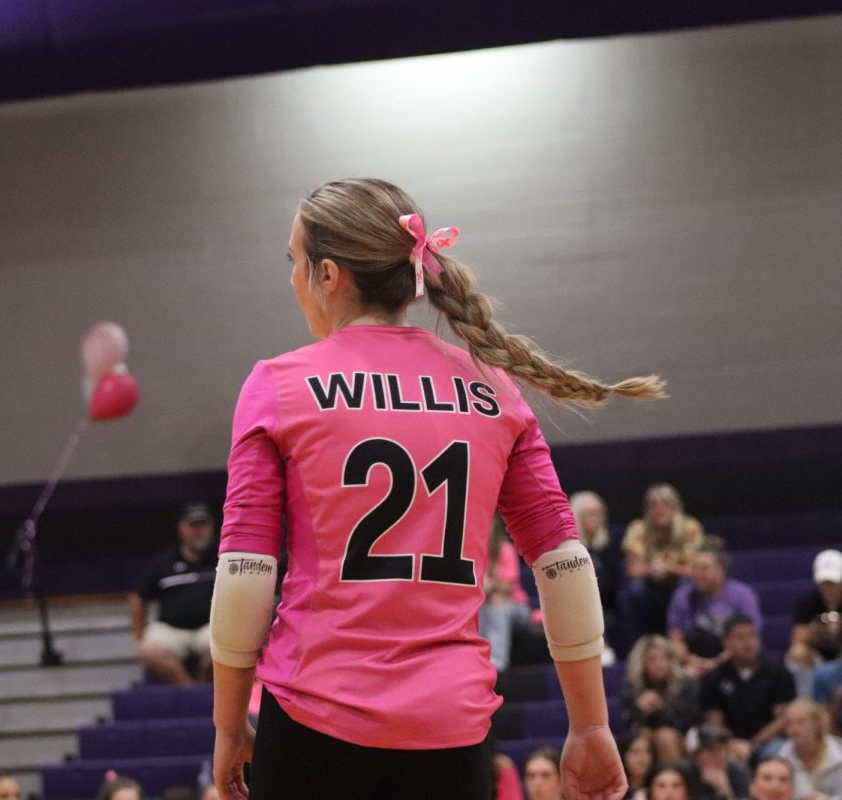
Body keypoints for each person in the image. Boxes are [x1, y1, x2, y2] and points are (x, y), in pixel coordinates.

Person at [209, 178, 664, 800]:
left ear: (330, 275)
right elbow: (563, 562)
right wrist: (589, 724)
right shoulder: (493, 387)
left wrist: (229, 723)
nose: (292, 281)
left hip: (314, 719)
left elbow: (245, 569)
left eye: (294, 263)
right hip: (453, 732)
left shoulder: (279, 385)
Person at [129, 503, 218, 684]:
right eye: (192, 526)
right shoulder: (163, 563)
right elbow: (137, 596)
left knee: (227, 646)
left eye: (202, 525)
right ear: (181, 529)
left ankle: (203, 688)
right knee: (148, 649)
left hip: (211, 628)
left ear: (212, 528)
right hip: (171, 630)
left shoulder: (223, 559)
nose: (198, 531)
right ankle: (191, 692)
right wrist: (139, 636)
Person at [700, 615, 796, 762]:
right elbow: (714, 721)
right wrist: (731, 744)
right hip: (729, 742)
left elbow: (782, 719)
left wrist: (753, 744)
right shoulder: (715, 677)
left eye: (752, 635)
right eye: (740, 637)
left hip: (769, 741)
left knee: (776, 753)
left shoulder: (777, 672)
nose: (748, 642)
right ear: (726, 642)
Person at [621, 484, 705, 643]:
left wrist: (669, 568)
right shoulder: (638, 528)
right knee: (634, 591)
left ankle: (683, 641)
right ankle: (642, 642)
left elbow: (695, 570)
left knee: (684, 587)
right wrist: (650, 569)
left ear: (676, 507)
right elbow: (633, 570)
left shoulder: (690, 528)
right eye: (653, 505)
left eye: (665, 504)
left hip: (679, 579)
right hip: (650, 583)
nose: (659, 510)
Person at [667, 539, 762, 677]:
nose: (698, 574)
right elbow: (675, 640)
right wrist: (692, 661)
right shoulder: (682, 597)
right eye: (694, 568)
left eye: (704, 568)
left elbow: (750, 637)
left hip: (734, 662)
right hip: (694, 663)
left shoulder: (743, 595)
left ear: (721, 570)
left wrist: (718, 663)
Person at [624, 635, 700, 762]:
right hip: (648, 737)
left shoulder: (686, 683)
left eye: (665, 658)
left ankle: (674, 777)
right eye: (652, 659)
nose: (660, 664)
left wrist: (660, 709)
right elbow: (628, 725)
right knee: (642, 736)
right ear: (642, 662)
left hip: (683, 739)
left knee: (664, 736)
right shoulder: (633, 685)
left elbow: (685, 723)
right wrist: (639, 709)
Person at [480, 513, 534, 670]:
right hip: (487, 604)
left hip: (517, 608)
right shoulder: (476, 552)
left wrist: (492, 585)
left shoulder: (506, 550)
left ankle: (497, 661)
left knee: (499, 608)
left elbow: (508, 587)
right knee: (480, 609)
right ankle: (478, 660)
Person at [788, 550, 842, 699]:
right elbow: (797, 639)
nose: (829, 588)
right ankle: (806, 699)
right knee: (797, 652)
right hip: (816, 656)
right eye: (825, 583)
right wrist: (817, 631)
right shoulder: (808, 603)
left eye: (833, 583)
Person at [775, 700, 842, 800]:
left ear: (817, 724)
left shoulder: (838, 755)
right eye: (789, 723)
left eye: (801, 722)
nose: (793, 728)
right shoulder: (780, 758)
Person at [571, 491, 622, 621]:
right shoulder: (569, 550)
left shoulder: (609, 546)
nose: (596, 518)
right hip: (578, 606)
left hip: (605, 606)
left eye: (599, 513)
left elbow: (613, 584)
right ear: (577, 515)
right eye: (590, 513)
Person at [686, 724, 751, 800]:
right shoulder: (686, 775)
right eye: (711, 750)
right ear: (696, 756)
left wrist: (725, 790)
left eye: (722, 748)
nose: (720, 754)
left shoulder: (738, 771)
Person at [621, 730, 658, 798]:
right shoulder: (614, 790)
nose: (642, 758)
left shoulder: (659, 788)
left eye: (647, 752)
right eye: (635, 752)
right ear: (623, 756)